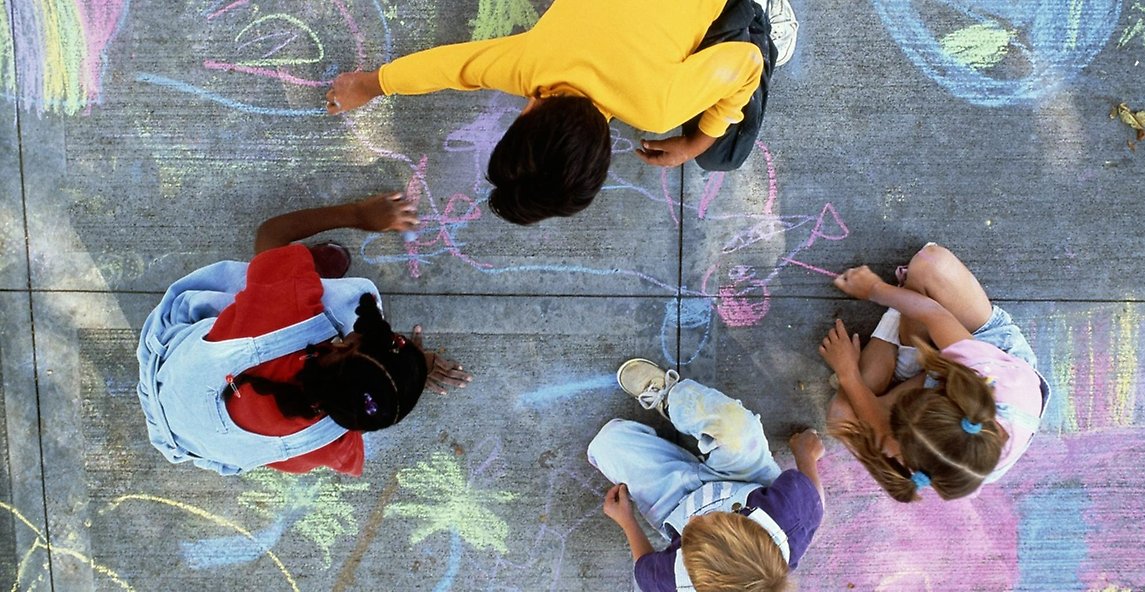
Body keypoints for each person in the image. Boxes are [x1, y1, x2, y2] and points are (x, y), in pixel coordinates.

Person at [324, 0, 800, 225]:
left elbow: (747, 64)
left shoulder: (657, 105)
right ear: (526, 114)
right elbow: (452, 68)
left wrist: (698, 141)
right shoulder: (531, 63)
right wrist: (370, 83)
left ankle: (761, 14)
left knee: (721, 153)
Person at [136, 193, 471, 476]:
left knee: (353, 300)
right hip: (184, 438)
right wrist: (409, 376)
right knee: (286, 302)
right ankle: (290, 270)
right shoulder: (332, 444)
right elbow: (366, 409)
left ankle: (294, 268)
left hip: (168, 373)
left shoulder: (283, 317)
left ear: (342, 348)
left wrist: (357, 214)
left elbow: (272, 233)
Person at [819, 243, 1050, 502]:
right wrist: (874, 289)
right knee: (930, 263)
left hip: (950, 390)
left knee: (841, 417)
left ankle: (905, 348)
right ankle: (907, 344)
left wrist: (848, 373)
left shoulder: (941, 464)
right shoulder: (988, 373)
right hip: (988, 350)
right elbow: (933, 314)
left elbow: (882, 431)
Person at [588, 359, 824, 592]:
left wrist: (626, 521)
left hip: (675, 505)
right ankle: (672, 398)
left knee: (606, 444)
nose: (694, 519)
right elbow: (814, 502)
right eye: (713, 520)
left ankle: (664, 448)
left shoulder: (679, 580)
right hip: (746, 478)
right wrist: (806, 455)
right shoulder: (788, 519)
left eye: (689, 538)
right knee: (738, 427)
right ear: (745, 518)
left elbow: (645, 569)